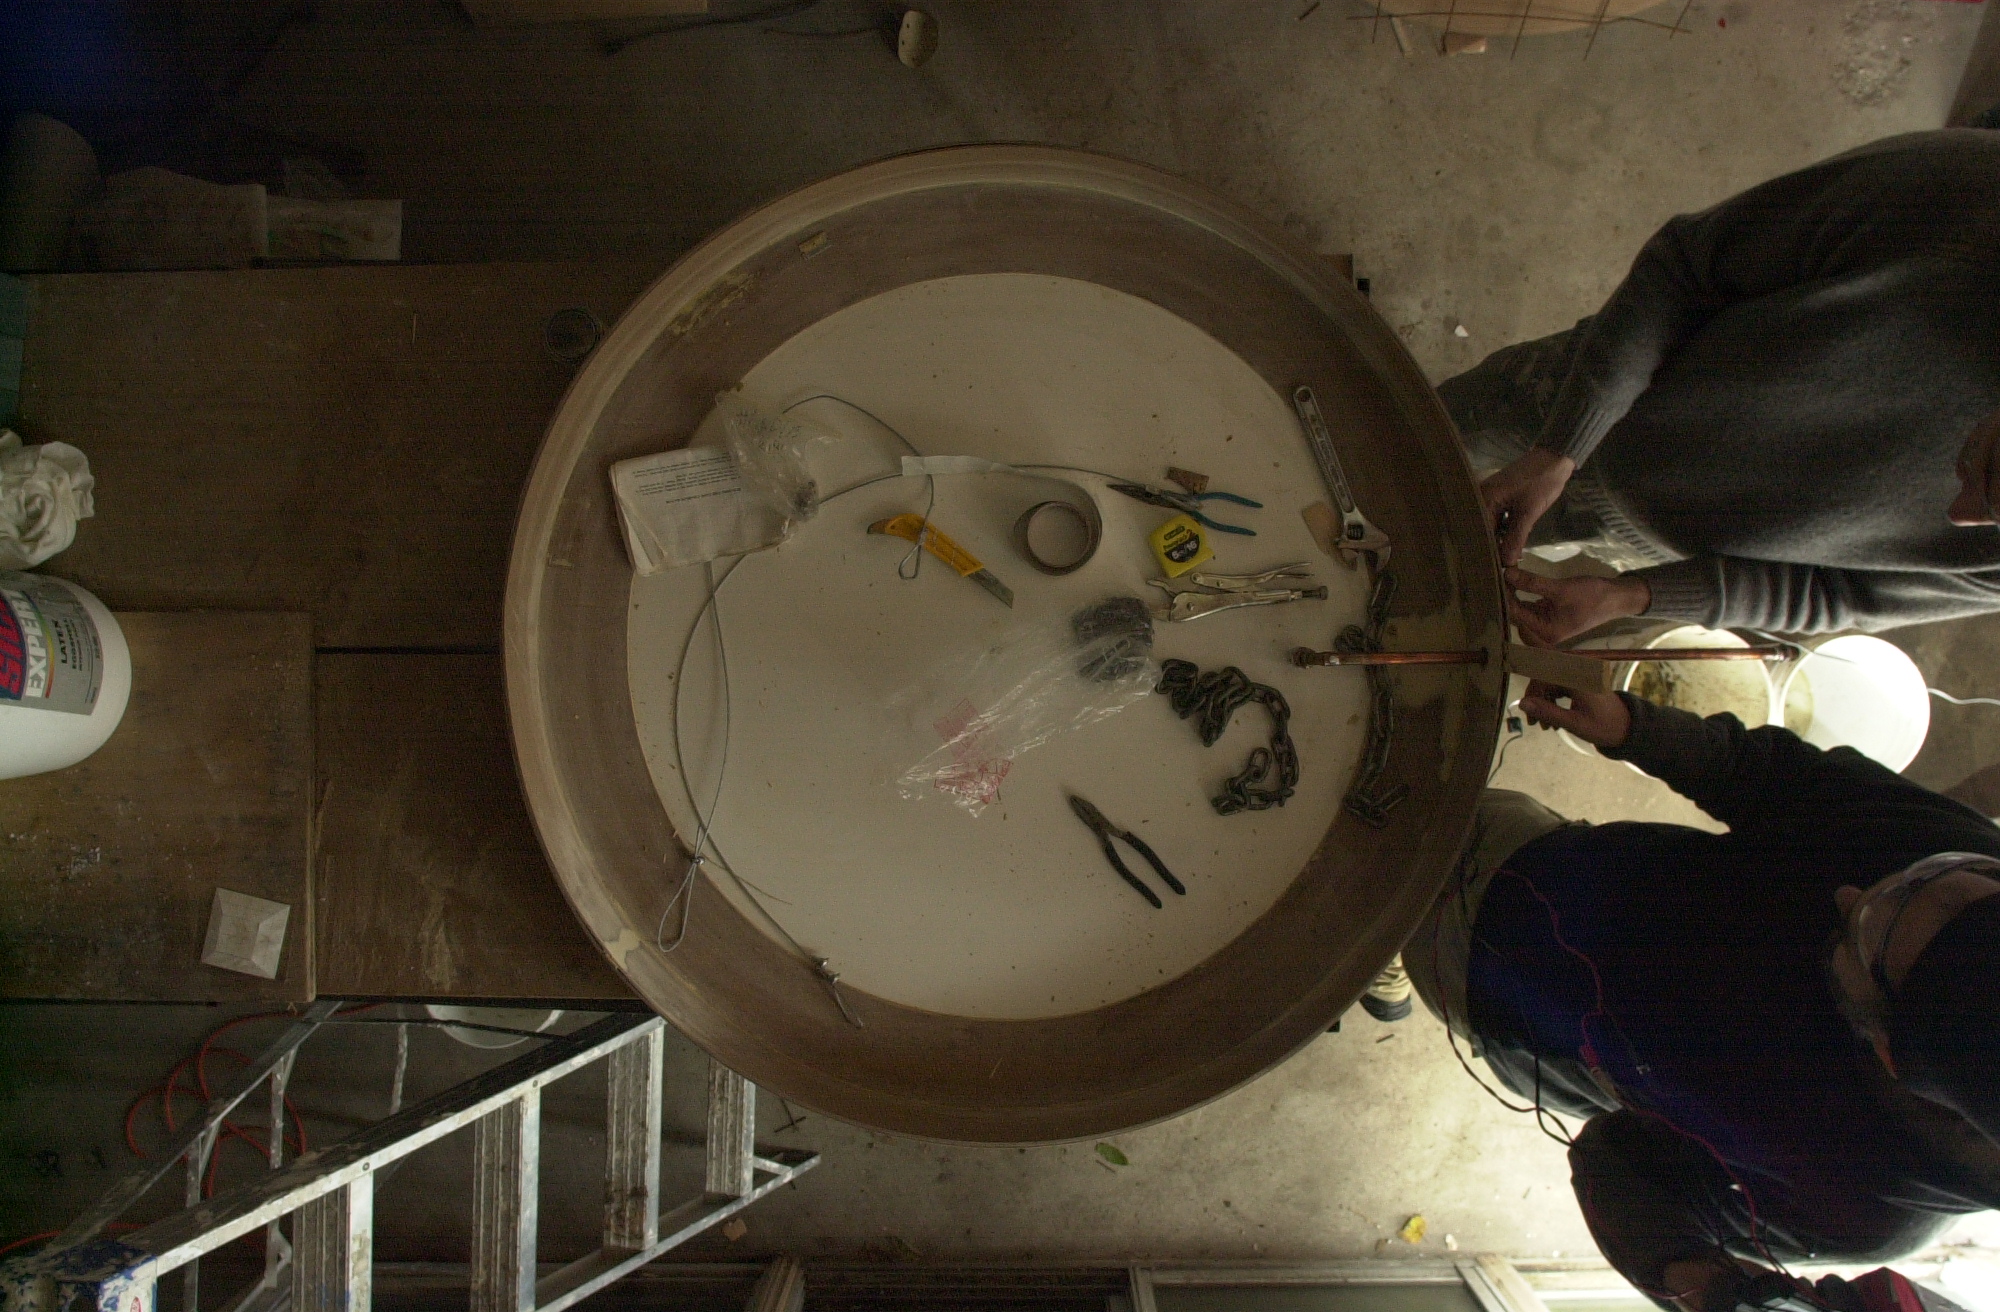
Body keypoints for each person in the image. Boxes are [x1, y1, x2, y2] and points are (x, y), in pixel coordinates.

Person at [1401, 682, 2000, 1311]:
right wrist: (1639, 729)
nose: (1850, 894)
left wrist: (1703, 1283)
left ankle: (1383, 961)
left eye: (1865, 933)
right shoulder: (1973, 860)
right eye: (1939, 878)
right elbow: (1785, 781)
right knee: (1409, 822)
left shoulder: (1866, 1211)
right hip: (1540, 850)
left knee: (1372, 916)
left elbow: (1613, 1162)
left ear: (1886, 1051)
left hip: (1484, 993)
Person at [1438, 130, 2000, 645]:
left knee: (1443, 543)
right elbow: (1686, 267)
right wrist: (1563, 445)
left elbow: (1837, 595)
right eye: (1994, 476)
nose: (1959, 515)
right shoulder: (1968, 202)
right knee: (1419, 442)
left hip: (1643, 533)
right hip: (1572, 391)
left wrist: (1632, 596)